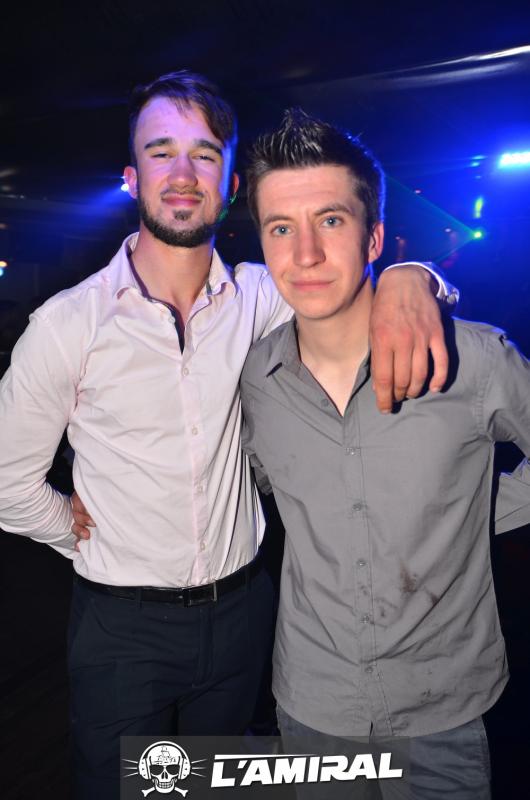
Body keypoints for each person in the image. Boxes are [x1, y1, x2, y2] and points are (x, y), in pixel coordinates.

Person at [0, 72, 453, 800]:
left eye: (205, 155)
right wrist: (79, 535)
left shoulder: (260, 296)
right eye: (161, 152)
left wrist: (412, 275)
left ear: (231, 183)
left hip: (245, 612)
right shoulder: (67, 325)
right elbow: (7, 484)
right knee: (122, 788)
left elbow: (348, 279)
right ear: (132, 177)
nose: (182, 174)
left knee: (215, 783)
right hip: (123, 629)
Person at [240, 109, 530, 799]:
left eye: (330, 220)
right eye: (281, 228)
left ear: (373, 236)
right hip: (312, 704)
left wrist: (472, 515)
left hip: (444, 710)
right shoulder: (256, 379)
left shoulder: (472, 360)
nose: (305, 254)